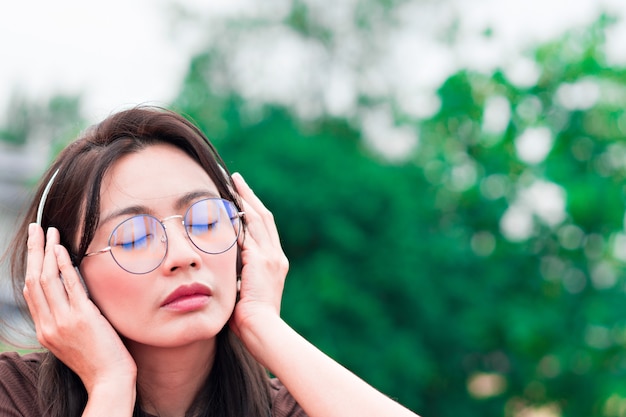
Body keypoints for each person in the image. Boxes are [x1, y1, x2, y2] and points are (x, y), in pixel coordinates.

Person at [0, 106, 420, 417]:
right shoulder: (14, 395)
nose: (183, 256)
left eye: (205, 219)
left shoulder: (298, 405)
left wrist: (262, 323)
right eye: (134, 237)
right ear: (61, 273)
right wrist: (110, 387)